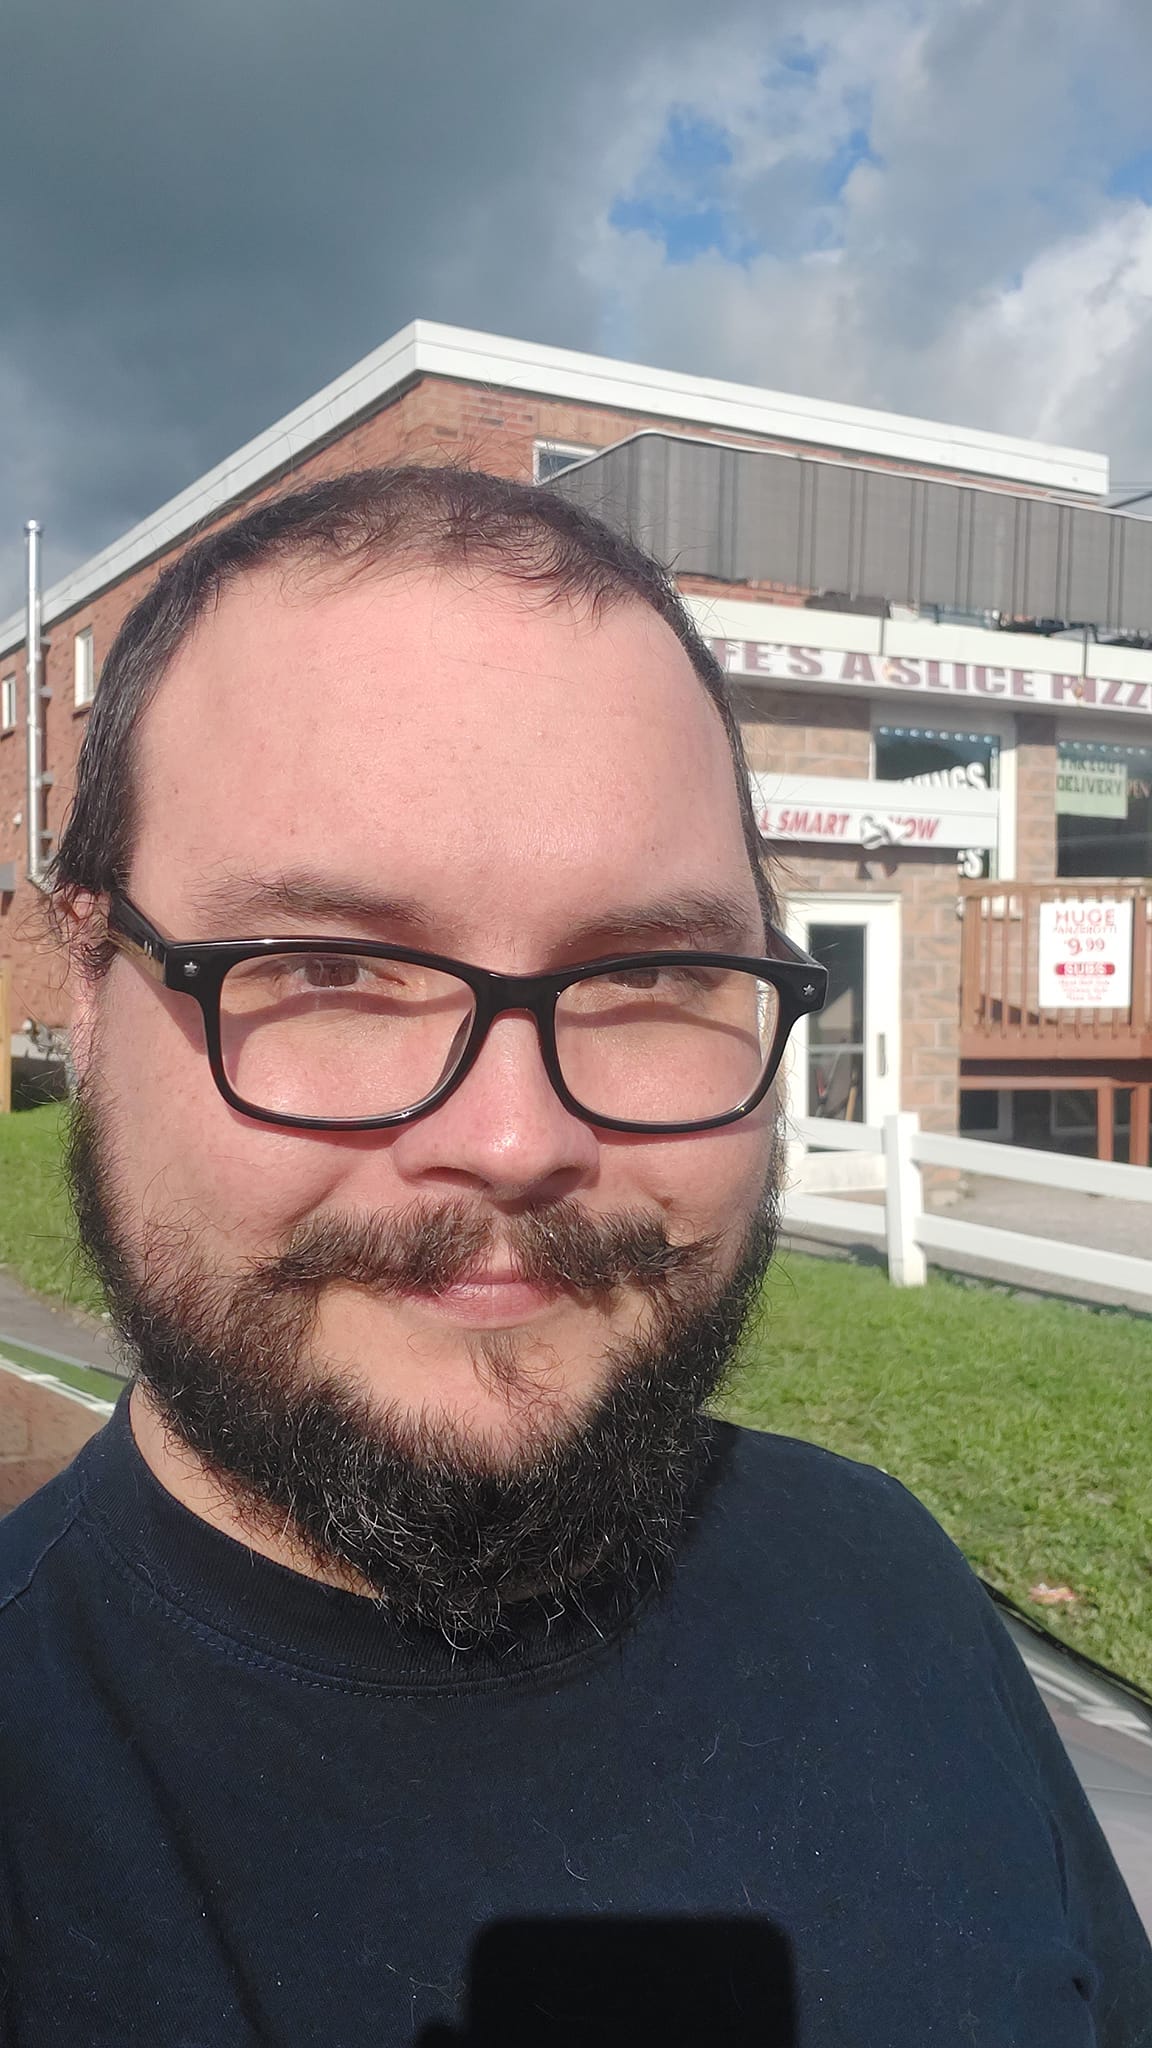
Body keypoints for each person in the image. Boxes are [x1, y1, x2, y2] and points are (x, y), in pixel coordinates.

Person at [0, 467, 1148, 2047]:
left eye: (652, 972)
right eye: (331, 964)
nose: (518, 1138)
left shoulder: (889, 1583)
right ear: (87, 978)